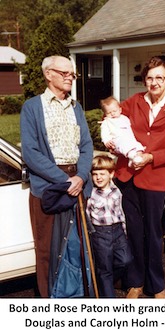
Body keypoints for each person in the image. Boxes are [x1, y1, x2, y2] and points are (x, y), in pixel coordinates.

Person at [114, 56, 165, 298]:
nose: (154, 82)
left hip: (155, 179)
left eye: (159, 78)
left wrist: (151, 157)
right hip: (128, 176)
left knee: (154, 233)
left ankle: (156, 284)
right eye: (149, 77)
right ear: (144, 80)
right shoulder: (134, 102)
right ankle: (135, 281)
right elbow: (114, 119)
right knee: (133, 231)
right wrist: (109, 134)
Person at [20, 55, 93, 298]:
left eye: (72, 74)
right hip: (49, 186)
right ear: (48, 74)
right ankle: (50, 301)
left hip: (78, 182)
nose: (70, 77)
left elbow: (86, 145)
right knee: (48, 249)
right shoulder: (32, 107)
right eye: (65, 73)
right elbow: (30, 152)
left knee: (78, 245)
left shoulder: (76, 106)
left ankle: (78, 296)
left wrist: (81, 176)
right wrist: (64, 181)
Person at [86, 154, 132, 297]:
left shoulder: (117, 191)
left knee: (125, 260)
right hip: (100, 233)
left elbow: (121, 212)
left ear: (111, 174)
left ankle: (105, 281)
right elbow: (87, 215)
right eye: (95, 174)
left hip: (118, 230)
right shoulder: (91, 194)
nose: (98, 178)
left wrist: (124, 231)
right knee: (104, 268)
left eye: (102, 174)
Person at [100, 96, 145, 167]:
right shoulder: (107, 122)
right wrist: (106, 141)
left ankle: (133, 160)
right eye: (109, 113)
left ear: (120, 110)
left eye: (114, 111)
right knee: (124, 147)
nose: (112, 114)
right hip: (117, 141)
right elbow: (104, 132)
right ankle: (134, 157)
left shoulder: (124, 118)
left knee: (138, 146)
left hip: (129, 139)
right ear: (105, 114)